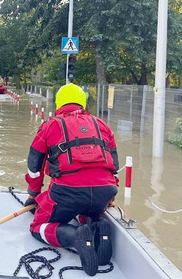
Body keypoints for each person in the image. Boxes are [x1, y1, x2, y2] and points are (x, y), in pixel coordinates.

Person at [24, 83, 119, 276]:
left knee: (38, 227)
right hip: (104, 191)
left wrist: (34, 195)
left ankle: (75, 237)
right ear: (82, 103)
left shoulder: (50, 125)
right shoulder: (102, 125)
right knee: (86, 210)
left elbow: (35, 166)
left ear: (59, 103)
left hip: (68, 192)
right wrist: (108, 200)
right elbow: (114, 167)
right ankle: (99, 225)